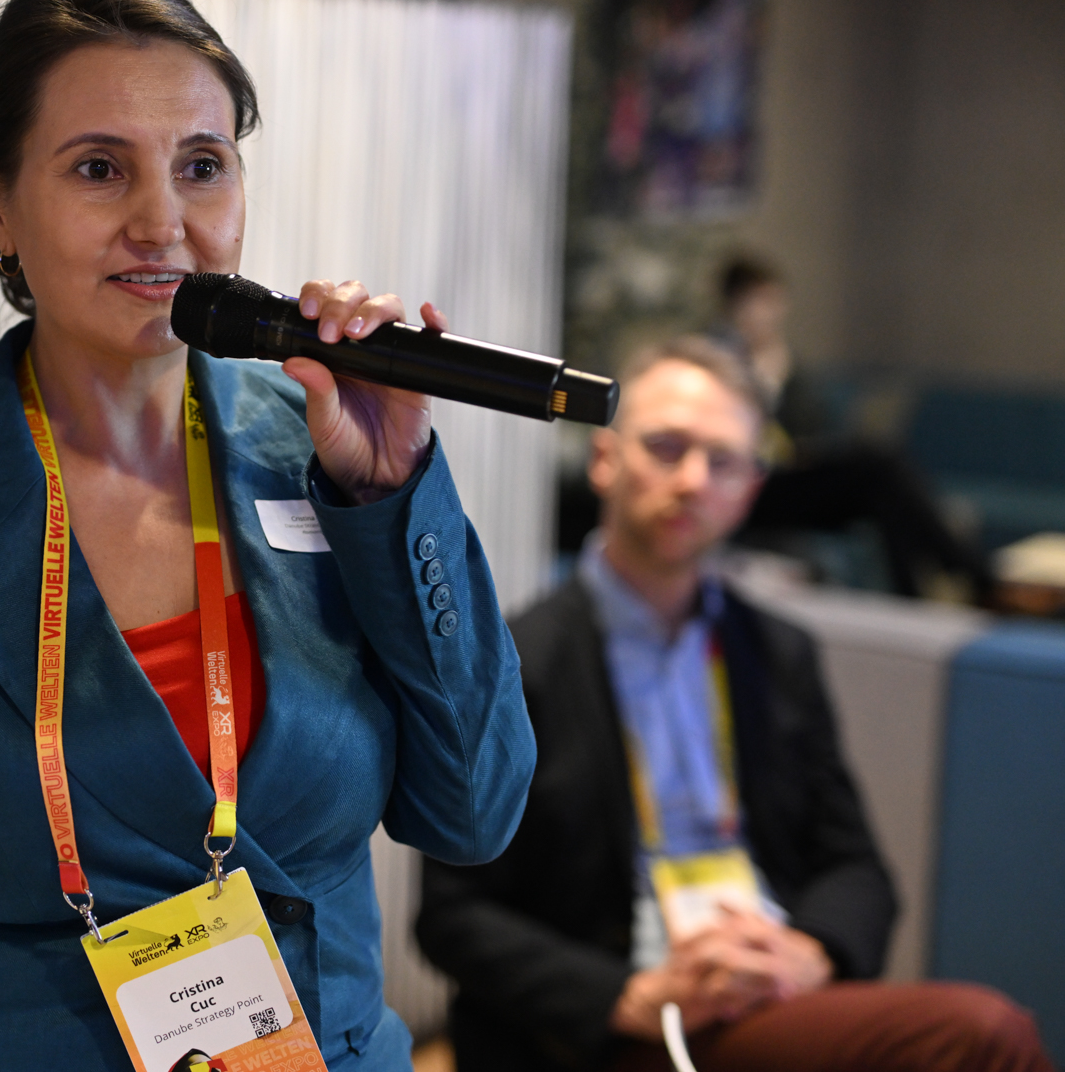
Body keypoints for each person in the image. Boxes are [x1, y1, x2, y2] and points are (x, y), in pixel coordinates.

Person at [0, 0, 536, 1071]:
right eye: (99, 169)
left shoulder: (324, 450)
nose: (161, 223)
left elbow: (475, 812)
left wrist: (391, 494)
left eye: (201, 166)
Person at [417, 336, 1052, 1072]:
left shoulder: (778, 653)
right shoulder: (517, 662)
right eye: (666, 447)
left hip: (769, 988)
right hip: (628, 1013)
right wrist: (628, 997)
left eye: (723, 461)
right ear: (605, 460)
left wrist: (810, 952)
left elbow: (855, 867)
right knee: (983, 1034)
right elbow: (452, 913)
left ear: (750, 489)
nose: (693, 480)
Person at [710, 254, 987, 600]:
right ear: (734, 305)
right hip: (754, 485)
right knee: (878, 465)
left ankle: (914, 595)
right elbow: (735, 433)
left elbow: (811, 423)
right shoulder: (718, 360)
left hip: (793, 469)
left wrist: (789, 397)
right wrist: (766, 382)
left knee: (882, 486)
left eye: (776, 302)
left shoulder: (781, 358)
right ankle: (971, 573)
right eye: (760, 302)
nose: (772, 314)